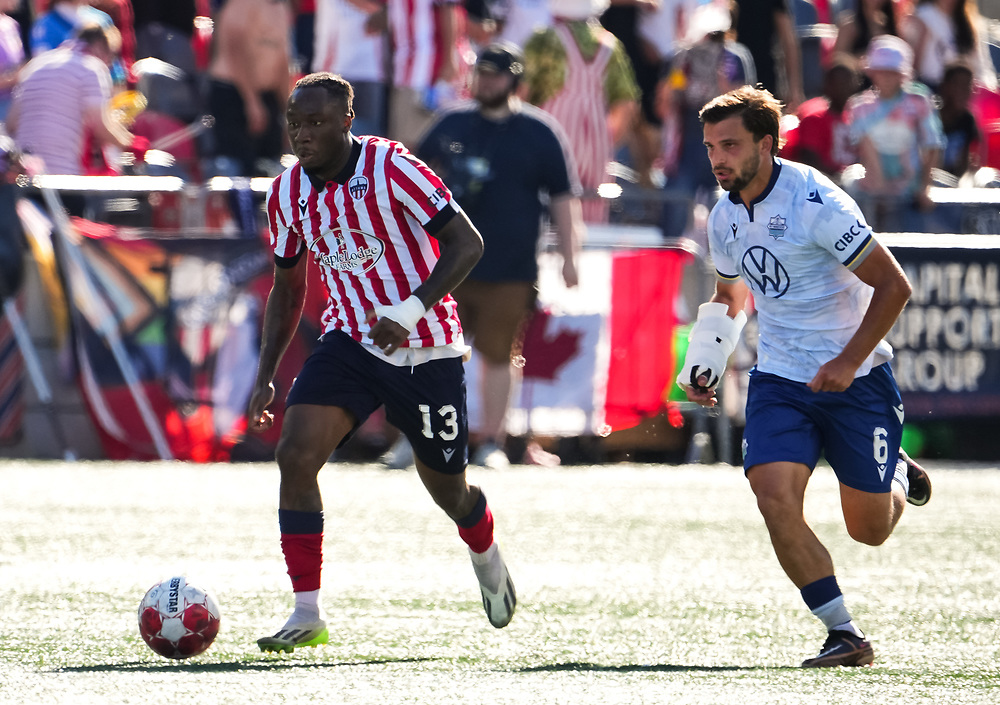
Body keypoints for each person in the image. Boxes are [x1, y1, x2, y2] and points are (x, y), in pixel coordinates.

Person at [246, 72, 516, 653]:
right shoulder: (286, 193)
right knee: (295, 454)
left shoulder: (392, 169)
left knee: (448, 490)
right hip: (348, 339)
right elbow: (287, 290)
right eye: (295, 123)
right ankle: (306, 611)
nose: (303, 134)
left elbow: (467, 243)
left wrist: (410, 307)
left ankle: (482, 544)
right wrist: (267, 373)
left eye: (316, 122)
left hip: (425, 346)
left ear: (348, 121)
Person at [677, 84, 932, 668]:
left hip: (856, 378)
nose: (718, 157)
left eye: (731, 144)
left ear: (766, 145)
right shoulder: (723, 216)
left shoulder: (817, 203)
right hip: (781, 379)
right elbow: (730, 295)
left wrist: (846, 362)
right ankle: (843, 632)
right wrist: (705, 363)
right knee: (772, 496)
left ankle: (890, 468)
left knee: (868, 529)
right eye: (712, 145)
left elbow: (895, 287)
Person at [417, 42, 582, 468]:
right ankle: (419, 439)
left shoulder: (540, 131)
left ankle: (491, 441)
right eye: (481, 73)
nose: (486, 81)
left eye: (495, 74)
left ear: (514, 79)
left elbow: (564, 199)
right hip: (446, 264)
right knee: (429, 353)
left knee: (498, 354)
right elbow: (411, 180)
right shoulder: (450, 122)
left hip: (510, 266)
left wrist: (570, 256)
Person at [522, 0, 640, 223]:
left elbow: (523, 90)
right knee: (592, 198)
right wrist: (608, 141)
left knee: (547, 192)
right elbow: (626, 103)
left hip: (552, 127)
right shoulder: (609, 44)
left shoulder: (544, 39)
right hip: (597, 133)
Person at [844, 34, 945, 231]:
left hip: (910, 193)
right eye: (881, 71)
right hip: (872, 193)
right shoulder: (859, 107)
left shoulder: (919, 101)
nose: (886, 77)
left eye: (892, 72)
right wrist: (879, 188)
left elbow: (933, 145)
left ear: (903, 74)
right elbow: (864, 147)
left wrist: (924, 188)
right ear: (872, 72)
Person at [7, 23, 135, 177]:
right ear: (100, 46)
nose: (110, 64)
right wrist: (133, 145)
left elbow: (11, 124)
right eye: (112, 56)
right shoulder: (91, 69)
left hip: (25, 176)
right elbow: (101, 126)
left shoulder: (35, 65)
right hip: (63, 177)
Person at [205, 0, 293, 176]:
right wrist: (252, 102)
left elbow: (282, 57)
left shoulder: (280, 7)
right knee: (237, 168)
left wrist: (289, 111)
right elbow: (235, 50)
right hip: (233, 95)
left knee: (269, 167)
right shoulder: (242, 3)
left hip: (267, 97)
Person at [781, 55, 861, 179]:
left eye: (847, 82)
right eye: (838, 83)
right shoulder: (814, 118)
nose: (843, 88)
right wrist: (839, 178)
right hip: (826, 183)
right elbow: (809, 162)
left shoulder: (857, 118)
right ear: (827, 85)